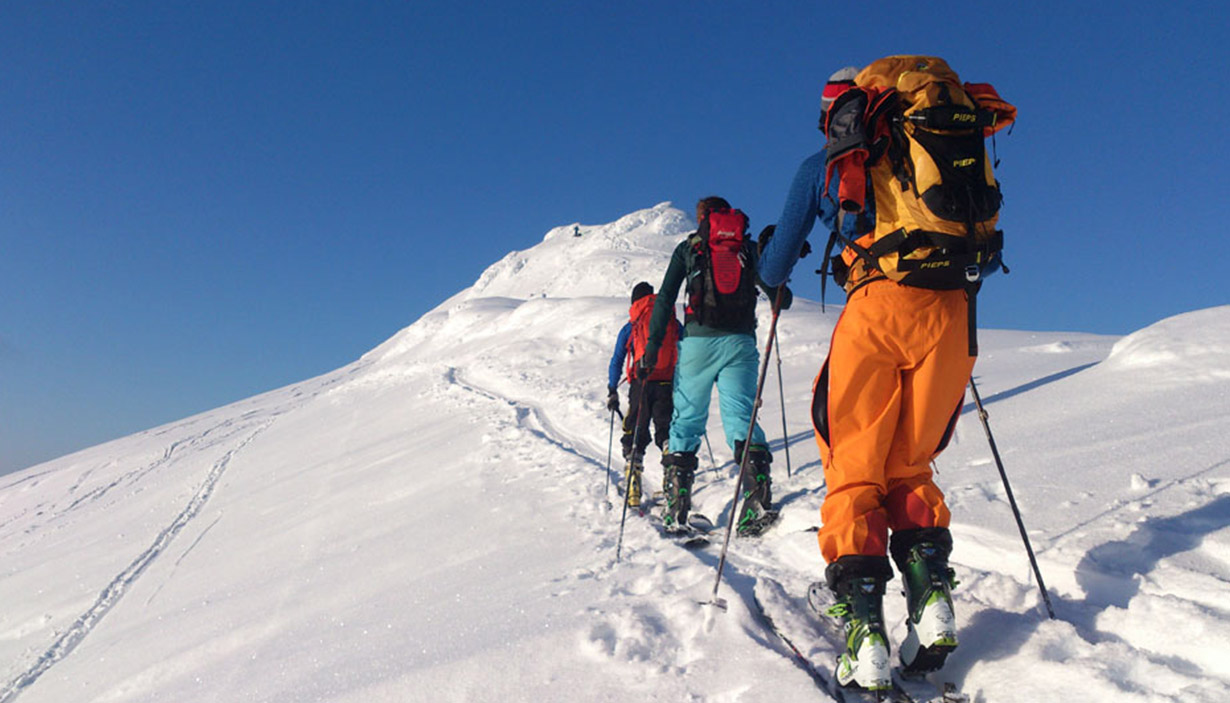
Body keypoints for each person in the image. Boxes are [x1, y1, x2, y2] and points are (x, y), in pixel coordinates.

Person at [759, 65, 983, 691]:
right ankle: (930, 595)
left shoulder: (826, 163)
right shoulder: (932, 140)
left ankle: (864, 635)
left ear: (835, 117)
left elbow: (775, 266)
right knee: (910, 466)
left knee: (854, 465)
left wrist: (770, 264)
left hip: (878, 307)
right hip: (954, 310)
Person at [641, 196, 791, 535]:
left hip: (697, 344)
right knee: (741, 417)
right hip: (740, 343)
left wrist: (652, 347)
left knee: (687, 421)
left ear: (700, 218)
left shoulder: (688, 249)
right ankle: (757, 500)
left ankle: (677, 506)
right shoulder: (746, 248)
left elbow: (665, 297)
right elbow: (782, 297)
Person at [606, 282, 681, 508]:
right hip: (667, 383)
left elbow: (617, 359)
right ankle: (672, 479)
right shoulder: (671, 321)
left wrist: (612, 389)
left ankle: (633, 486)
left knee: (635, 429)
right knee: (665, 430)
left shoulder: (632, 325)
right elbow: (685, 346)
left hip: (640, 383)